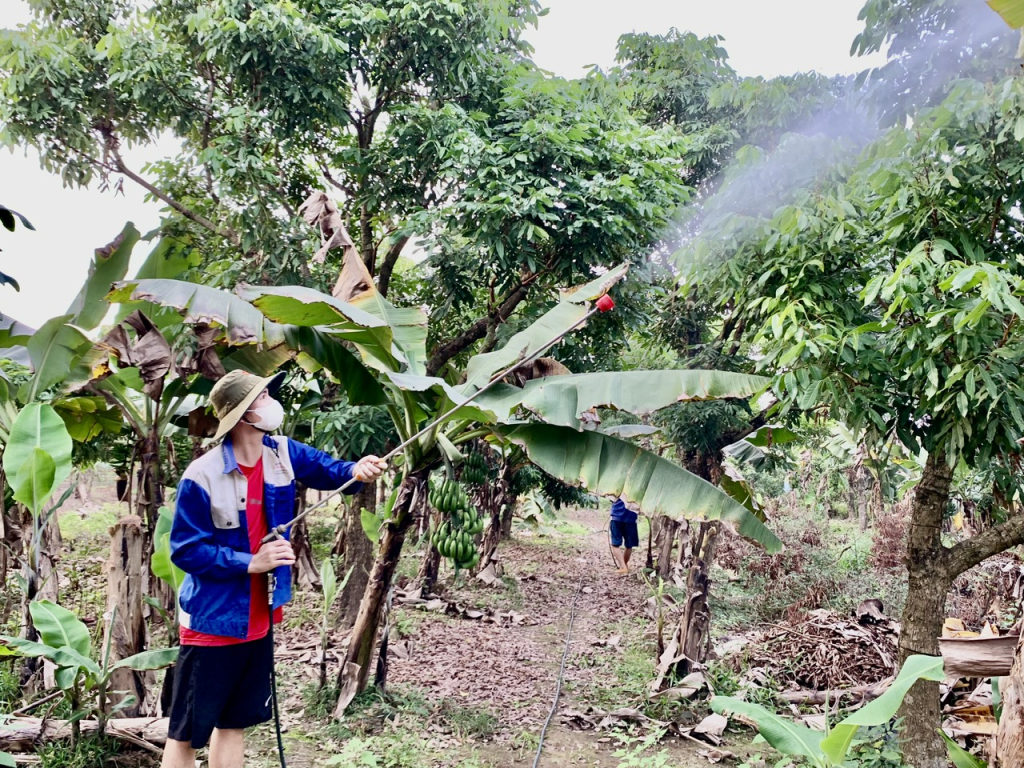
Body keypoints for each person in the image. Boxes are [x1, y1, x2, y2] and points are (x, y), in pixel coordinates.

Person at [161, 369, 386, 768]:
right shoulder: (202, 475)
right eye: (262, 397)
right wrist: (252, 563)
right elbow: (186, 551)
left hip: (259, 618)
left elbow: (330, 470)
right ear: (242, 414)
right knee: (187, 733)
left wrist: (356, 470)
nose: (271, 402)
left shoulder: (282, 452)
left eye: (267, 394)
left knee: (234, 724)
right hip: (212, 623)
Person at [609, 497, 639, 574]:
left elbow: (612, 497)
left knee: (615, 544)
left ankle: (623, 567)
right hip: (631, 517)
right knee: (629, 545)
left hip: (617, 516)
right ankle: (624, 565)